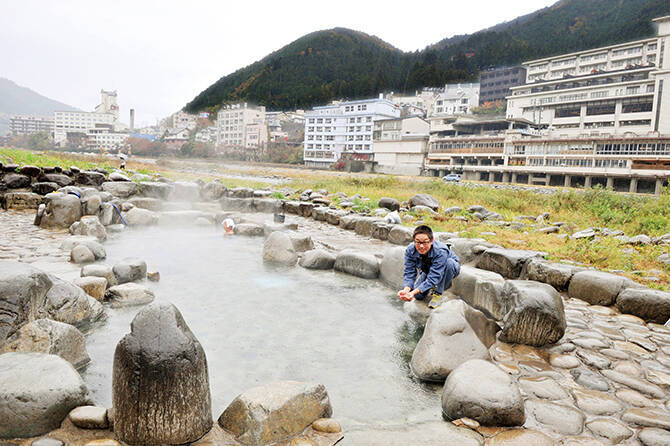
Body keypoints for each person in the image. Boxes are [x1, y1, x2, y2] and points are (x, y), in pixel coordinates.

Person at [398, 225, 460, 308]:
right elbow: (409, 272)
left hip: (448, 268)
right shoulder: (410, 250)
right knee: (418, 296)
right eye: (418, 242)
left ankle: (438, 292)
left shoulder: (441, 251)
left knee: (448, 263)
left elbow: (434, 276)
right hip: (428, 269)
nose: (421, 246)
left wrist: (413, 292)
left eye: (425, 242)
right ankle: (431, 284)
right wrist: (406, 290)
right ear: (414, 241)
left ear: (431, 241)